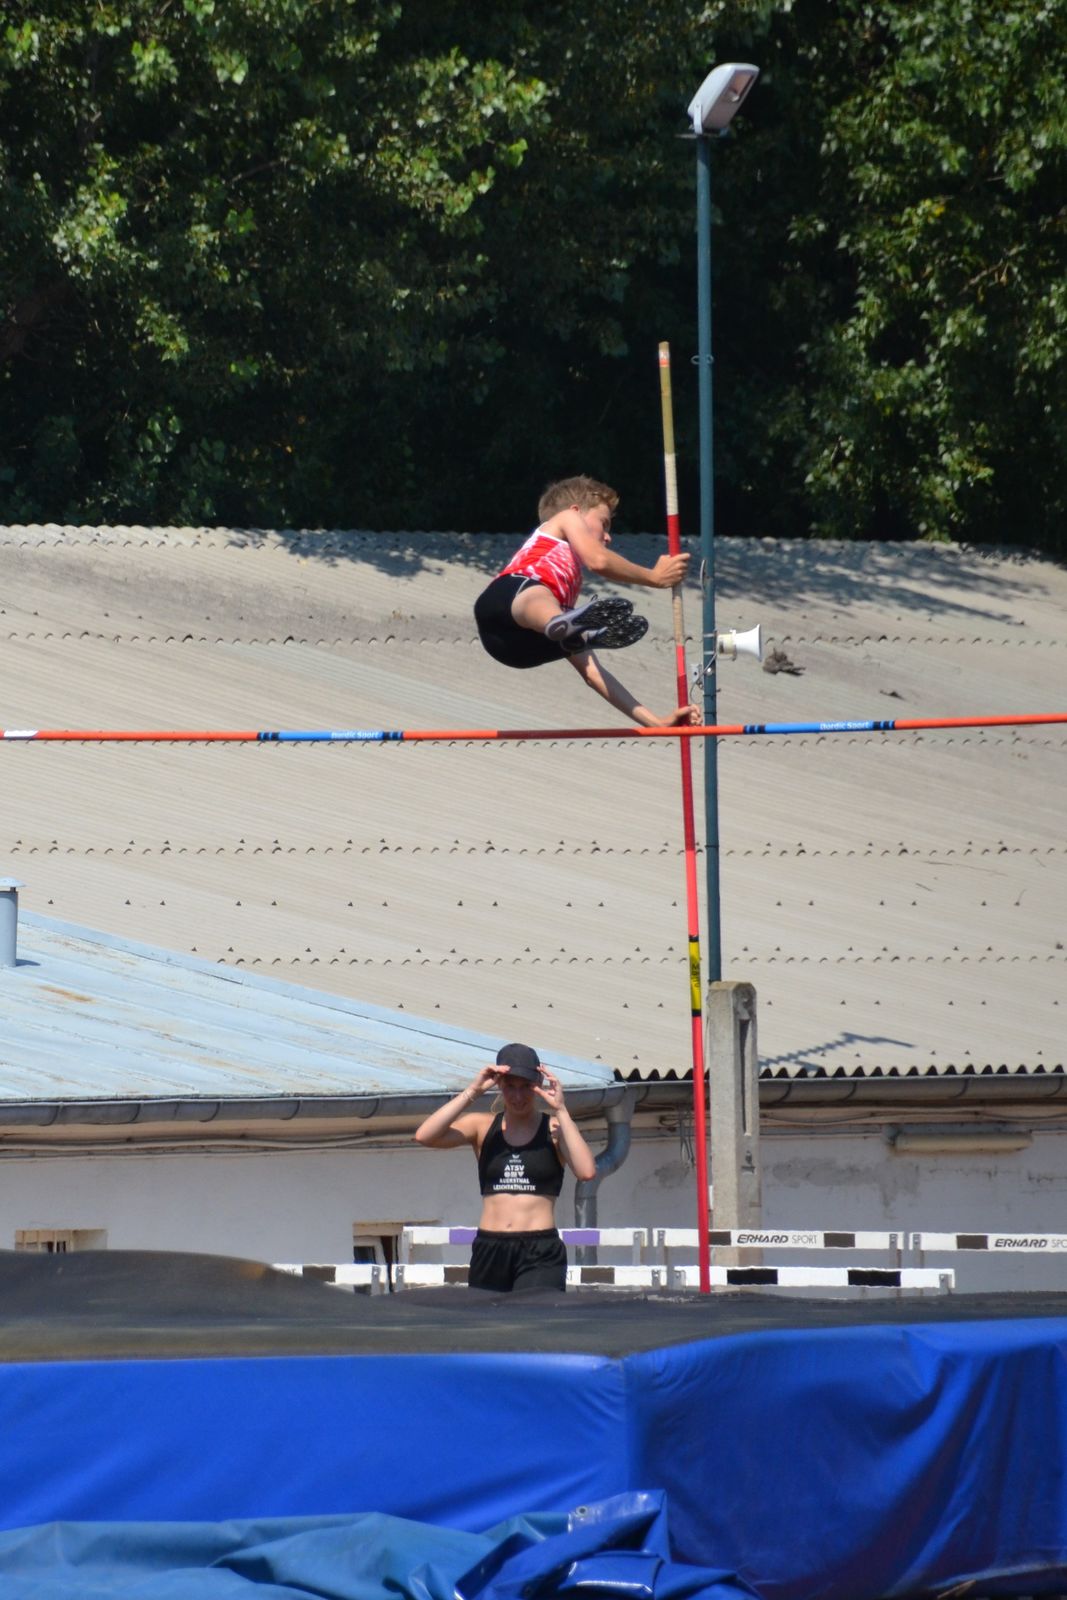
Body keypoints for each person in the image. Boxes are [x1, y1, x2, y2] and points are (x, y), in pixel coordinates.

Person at [474, 475, 699, 728]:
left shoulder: (568, 587)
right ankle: (565, 626)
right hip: (506, 600)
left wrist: (657, 723)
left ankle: (573, 632)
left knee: (565, 632)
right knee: (537, 596)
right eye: (604, 523)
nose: (608, 537)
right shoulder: (565, 519)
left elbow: (594, 675)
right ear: (575, 512)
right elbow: (598, 561)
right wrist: (654, 577)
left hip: (518, 649)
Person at [413, 1042, 597, 1293]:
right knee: (488, 1318)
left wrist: (561, 1110)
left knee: (532, 1315)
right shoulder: (481, 1126)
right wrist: (473, 1091)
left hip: (539, 1251)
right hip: (491, 1248)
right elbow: (425, 1135)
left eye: (526, 1087)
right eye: (511, 1086)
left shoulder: (555, 1128)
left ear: (538, 1085)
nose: (518, 1097)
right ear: (499, 1084)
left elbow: (587, 1171)